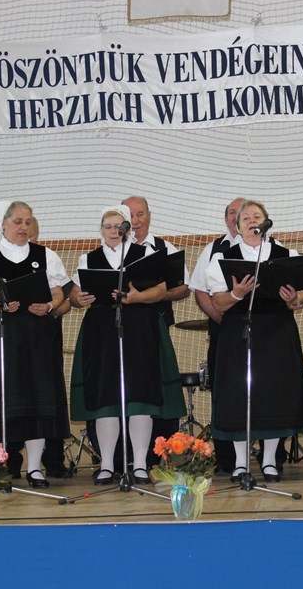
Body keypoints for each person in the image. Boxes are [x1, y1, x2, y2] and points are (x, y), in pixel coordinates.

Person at [69, 205, 185, 485]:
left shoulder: (144, 254)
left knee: (140, 397)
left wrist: (137, 298)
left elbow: (162, 289)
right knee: (106, 399)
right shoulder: (89, 258)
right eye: (108, 226)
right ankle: (108, 464)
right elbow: (74, 294)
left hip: (140, 328)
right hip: (101, 331)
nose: (113, 231)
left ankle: (141, 464)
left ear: (128, 230)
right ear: (101, 230)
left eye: (118, 226)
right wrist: (78, 299)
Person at [0, 200, 71, 489]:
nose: (24, 227)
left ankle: (34, 468)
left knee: (36, 401)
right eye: (18, 221)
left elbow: (59, 293)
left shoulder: (46, 255)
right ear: (3, 224)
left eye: (28, 221)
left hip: (35, 338)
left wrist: (49, 305)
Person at [205, 199, 303, 483]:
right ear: (238, 227)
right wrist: (237, 294)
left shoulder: (286, 254)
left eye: (257, 216)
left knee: (274, 395)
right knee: (238, 396)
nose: (252, 221)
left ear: (266, 222)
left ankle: (269, 461)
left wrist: (294, 299)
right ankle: (241, 463)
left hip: (277, 332)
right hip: (239, 333)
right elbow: (217, 302)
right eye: (246, 218)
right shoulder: (223, 258)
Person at [121, 195, 189, 463]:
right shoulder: (111, 250)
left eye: (140, 214)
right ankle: (123, 456)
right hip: (119, 334)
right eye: (129, 216)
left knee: (156, 389)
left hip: (155, 329)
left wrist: (156, 295)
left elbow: (183, 288)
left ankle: (156, 453)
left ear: (149, 216)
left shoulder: (165, 248)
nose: (135, 221)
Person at [188, 197, 244, 474]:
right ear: (226, 219)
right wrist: (219, 316)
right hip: (223, 331)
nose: (237, 217)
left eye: (242, 212)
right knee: (223, 392)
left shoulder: (270, 246)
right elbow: (199, 289)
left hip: (262, 333)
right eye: (232, 213)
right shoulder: (213, 249)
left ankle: (273, 455)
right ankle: (226, 457)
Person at [29, 215, 72, 479]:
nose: (27, 237)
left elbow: (66, 300)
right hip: (17, 339)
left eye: (32, 233)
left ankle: (54, 459)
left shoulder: (49, 258)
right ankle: (12, 460)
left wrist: (52, 310)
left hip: (46, 335)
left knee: (50, 395)